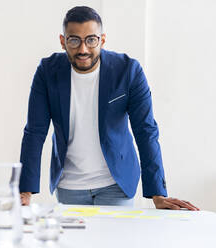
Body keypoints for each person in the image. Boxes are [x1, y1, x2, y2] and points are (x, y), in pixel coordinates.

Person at [19, 6, 199, 210]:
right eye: (74, 40)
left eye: (91, 40)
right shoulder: (47, 72)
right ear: (63, 41)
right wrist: (24, 190)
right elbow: (35, 132)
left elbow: (145, 130)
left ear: (102, 40)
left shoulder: (128, 70)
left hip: (116, 184)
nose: (83, 49)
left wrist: (157, 193)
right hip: (69, 186)